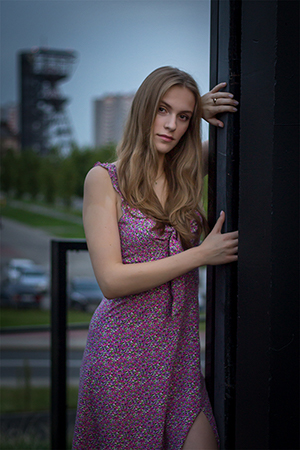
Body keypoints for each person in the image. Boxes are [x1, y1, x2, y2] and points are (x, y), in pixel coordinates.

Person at [73, 66, 238, 450]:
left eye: (182, 117)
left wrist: (198, 112)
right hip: (122, 358)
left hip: (179, 359)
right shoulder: (104, 180)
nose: (171, 125)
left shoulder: (186, 172)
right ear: (144, 110)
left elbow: (235, 154)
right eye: (162, 110)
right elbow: (111, 281)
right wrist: (200, 255)